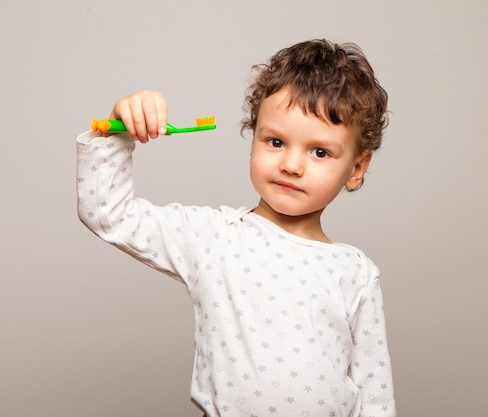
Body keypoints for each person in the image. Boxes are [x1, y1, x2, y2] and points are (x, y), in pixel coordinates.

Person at [77, 39, 396, 417]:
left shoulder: (356, 273)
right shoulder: (216, 237)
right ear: (253, 139)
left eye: (320, 152)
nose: (291, 165)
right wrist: (119, 129)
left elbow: (375, 397)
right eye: (275, 142)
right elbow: (107, 212)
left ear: (356, 169)